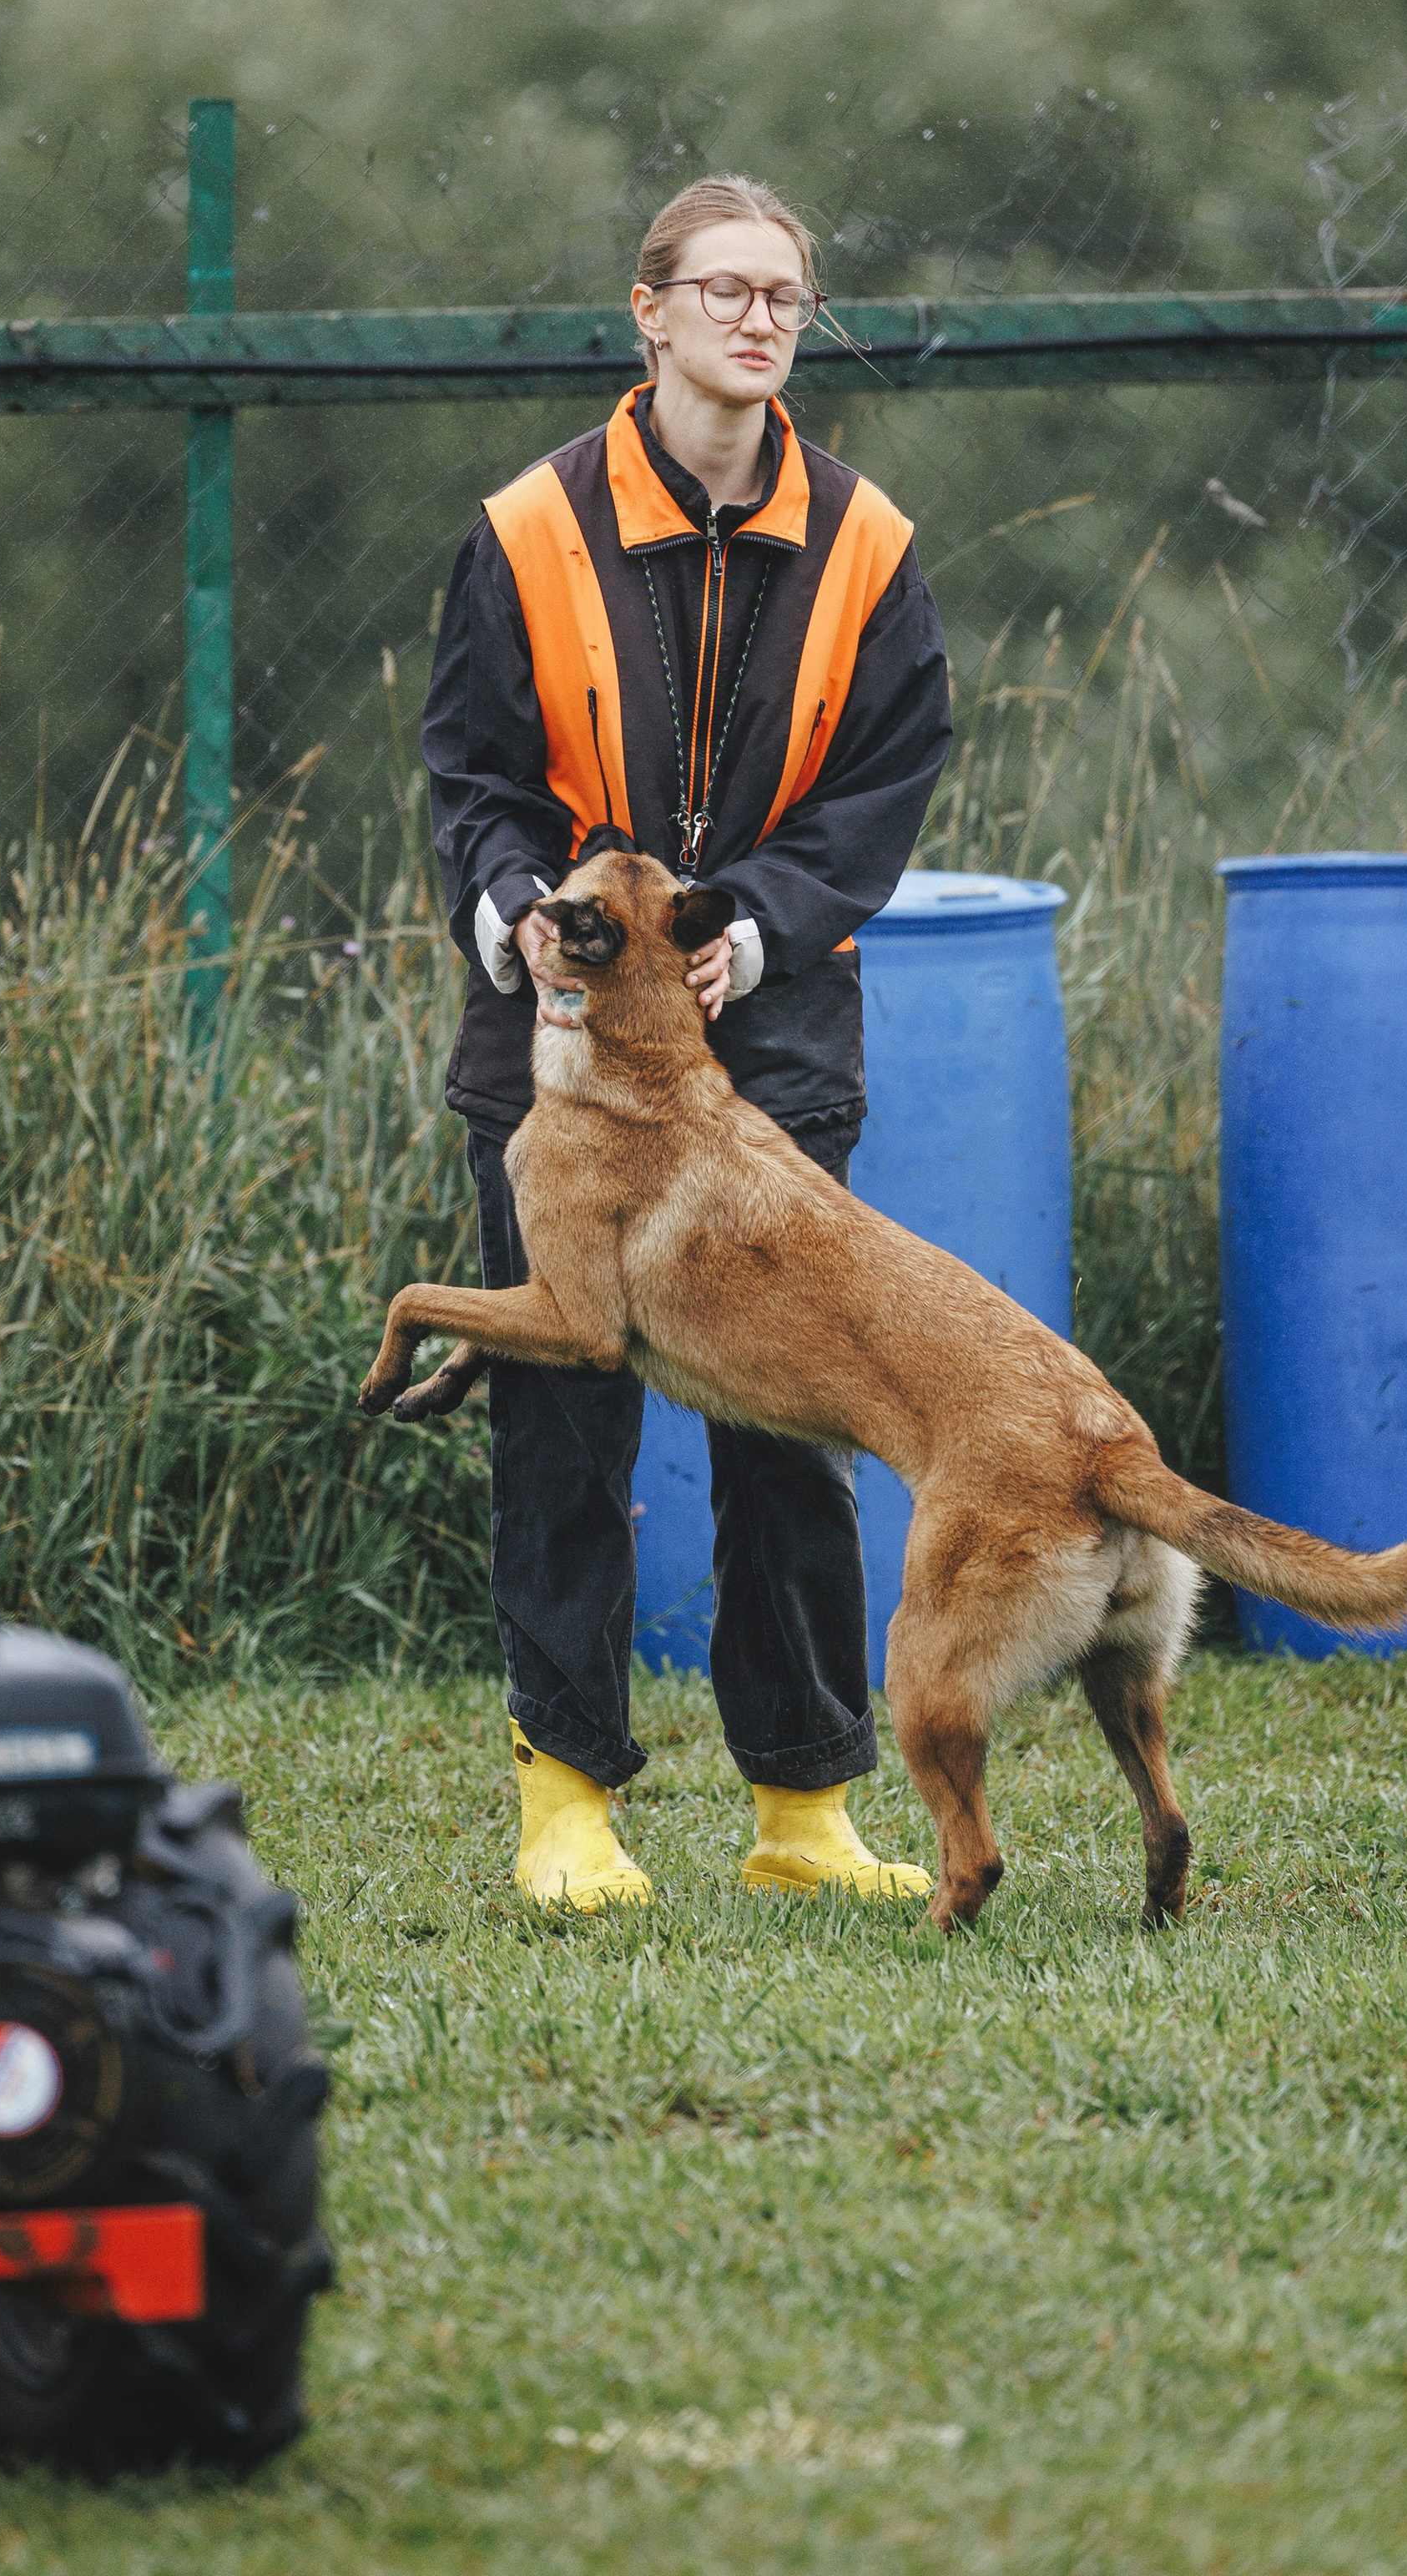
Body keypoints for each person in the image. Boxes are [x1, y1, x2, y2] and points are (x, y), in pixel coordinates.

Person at [422, 174, 952, 1909]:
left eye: (784, 295)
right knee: (560, 1407)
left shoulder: (866, 541)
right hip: (557, 1039)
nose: (757, 318)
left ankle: (802, 1812)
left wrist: (761, 924)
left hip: (772, 1037)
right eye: (722, 289)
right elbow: (474, 776)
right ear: (646, 312)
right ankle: (566, 1800)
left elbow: (884, 783)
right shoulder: (524, 530)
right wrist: (515, 909)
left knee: (793, 1419)